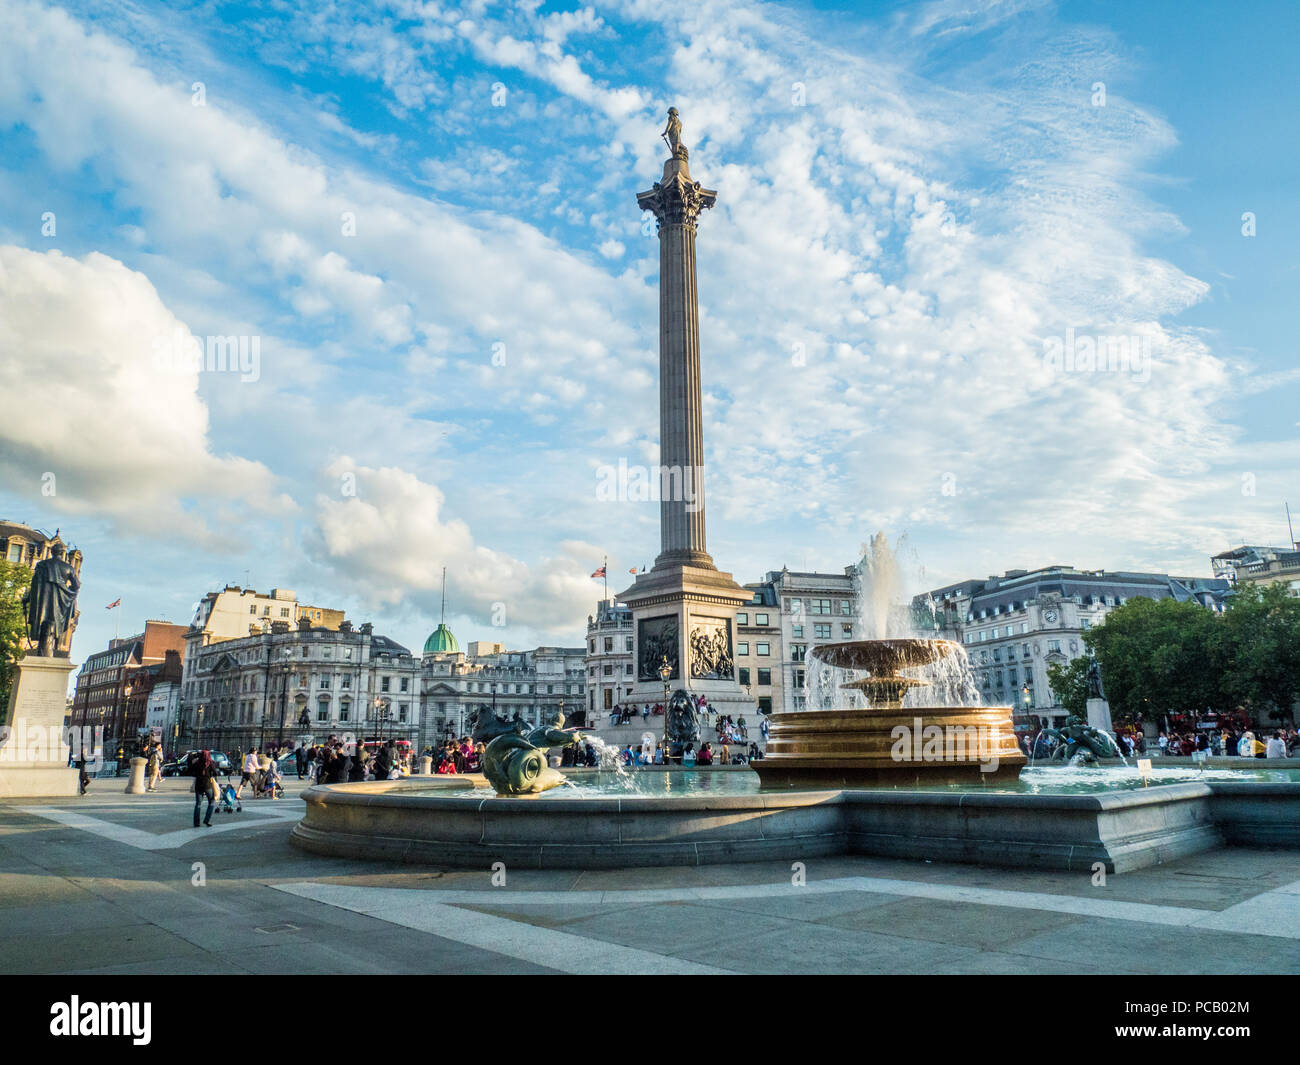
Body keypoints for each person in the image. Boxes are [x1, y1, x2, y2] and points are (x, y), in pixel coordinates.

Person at [192, 749, 217, 827]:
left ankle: (196, 822)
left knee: (198, 804)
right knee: (211, 801)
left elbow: (190, 771)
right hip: (207, 785)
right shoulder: (211, 763)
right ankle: (207, 820)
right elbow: (215, 773)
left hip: (198, 785)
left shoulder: (197, 763)